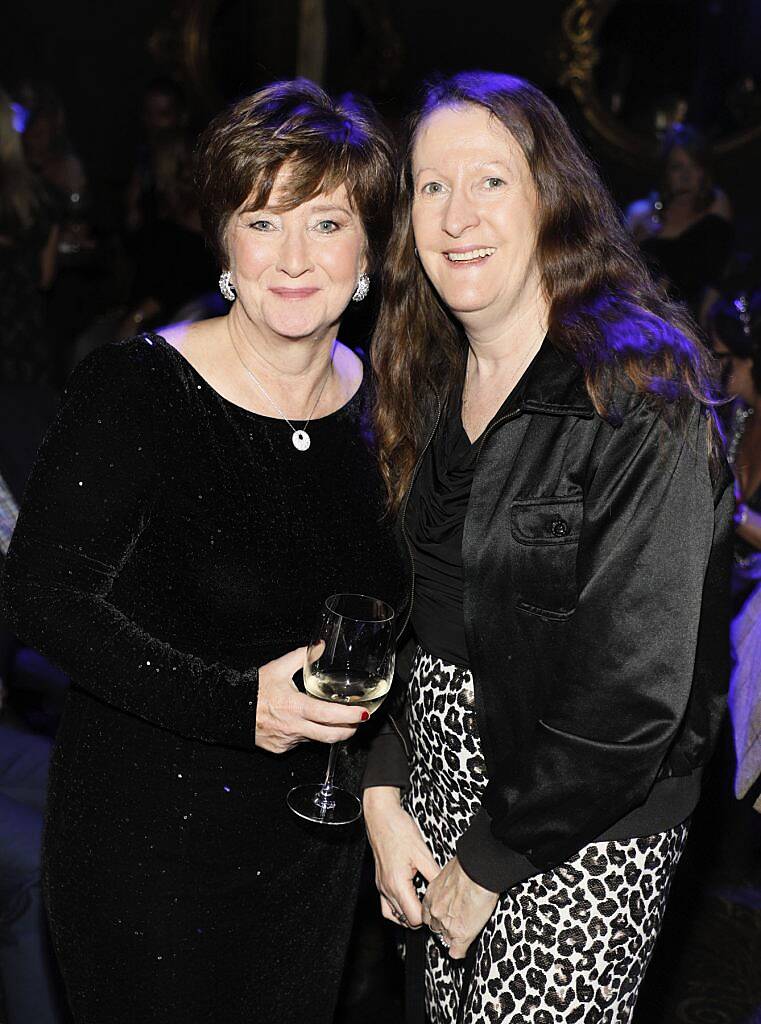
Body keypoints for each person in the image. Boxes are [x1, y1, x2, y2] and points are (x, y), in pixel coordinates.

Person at [2, 79, 404, 1024]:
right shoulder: (139, 390)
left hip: (313, 849)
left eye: (326, 221)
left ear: (369, 250)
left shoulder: (390, 406)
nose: (294, 257)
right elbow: (40, 596)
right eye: (262, 222)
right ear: (223, 243)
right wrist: (237, 706)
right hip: (148, 843)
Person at [362, 71, 733, 1024]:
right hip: (439, 786)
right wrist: (381, 783)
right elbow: (411, 612)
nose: (454, 214)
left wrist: (489, 860)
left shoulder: (638, 389)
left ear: (550, 200)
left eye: (488, 180)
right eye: (429, 186)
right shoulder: (428, 377)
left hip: (577, 823)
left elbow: (632, 692)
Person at [709, 288, 761, 812]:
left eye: (722, 357)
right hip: (726, 587)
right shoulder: (738, 417)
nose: (715, 368)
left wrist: (730, 509)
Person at [626, 124, 733, 321]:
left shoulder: (715, 207)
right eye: (677, 167)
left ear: (704, 172)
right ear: (665, 173)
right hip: (647, 319)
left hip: (697, 321)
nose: (686, 177)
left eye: (694, 166)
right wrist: (636, 244)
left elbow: (715, 277)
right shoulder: (641, 214)